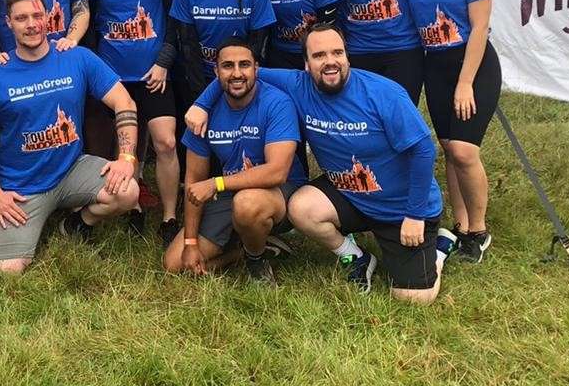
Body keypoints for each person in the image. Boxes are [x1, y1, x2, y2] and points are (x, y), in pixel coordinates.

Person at [186, 23, 447, 303]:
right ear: (307, 64)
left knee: (413, 298)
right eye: (319, 55)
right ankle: (355, 257)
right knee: (300, 206)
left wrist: (416, 215)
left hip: (401, 207)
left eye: (337, 52)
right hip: (350, 194)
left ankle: (442, 247)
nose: (330, 61)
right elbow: (241, 74)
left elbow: (422, 151)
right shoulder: (298, 86)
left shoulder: (383, 93)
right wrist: (202, 104)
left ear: (348, 56)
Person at [0, 0, 140, 273]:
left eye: (36, 16)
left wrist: (127, 158)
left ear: (47, 17)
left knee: (128, 191)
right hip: (21, 186)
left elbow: (125, 102)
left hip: (72, 169)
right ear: (8, 23)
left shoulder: (75, 57)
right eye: (21, 18)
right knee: (8, 270)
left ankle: (77, 224)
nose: (31, 25)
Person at [405, 0, 501, 264]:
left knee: (464, 150)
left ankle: (478, 229)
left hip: (471, 65)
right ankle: (461, 226)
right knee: (448, 148)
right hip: (435, 66)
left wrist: (465, 82)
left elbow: (480, 28)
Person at [166, 39, 307, 285]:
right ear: (216, 71)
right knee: (174, 263)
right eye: (228, 66)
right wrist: (190, 242)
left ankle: (256, 260)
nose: (237, 73)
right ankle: (243, 250)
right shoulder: (204, 113)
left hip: (279, 193)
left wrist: (217, 183)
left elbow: (277, 172)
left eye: (244, 65)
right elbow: (194, 180)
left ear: (256, 68)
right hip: (230, 190)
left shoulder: (277, 103)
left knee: (247, 203)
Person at [85, 0, 183, 243]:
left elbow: (176, 19)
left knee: (166, 142)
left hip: (153, 73)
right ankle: (133, 207)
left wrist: (164, 62)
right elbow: (89, 26)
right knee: (118, 145)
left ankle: (170, 216)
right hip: (113, 78)